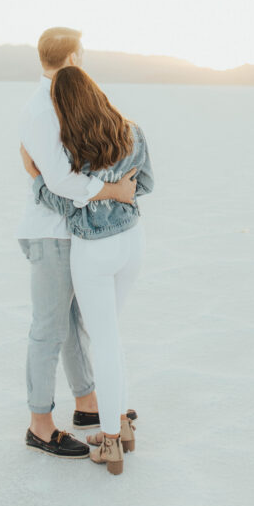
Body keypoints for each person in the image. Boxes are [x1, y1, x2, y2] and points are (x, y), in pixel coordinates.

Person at [21, 65, 154, 475]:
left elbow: (66, 202)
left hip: (94, 251)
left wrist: (36, 179)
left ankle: (111, 440)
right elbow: (145, 185)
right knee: (112, 335)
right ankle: (121, 426)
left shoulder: (73, 147)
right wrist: (120, 194)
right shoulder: (132, 131)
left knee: (105, 341)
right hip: (132, 242)